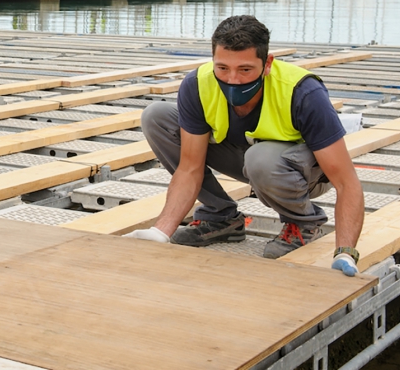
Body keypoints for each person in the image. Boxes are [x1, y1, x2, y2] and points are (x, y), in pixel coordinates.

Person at [127, 15, 364, 277]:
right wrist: (160, 231)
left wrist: (345, 250)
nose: (233, 80)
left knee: (260, 159)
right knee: (156, 117)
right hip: (248, 159)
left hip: (302, 174)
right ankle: (221, 217)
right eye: (223, 68)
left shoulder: (304, 93)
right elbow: (189, 167)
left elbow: (346, 182)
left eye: (245, 69)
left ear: (267, 64)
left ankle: (302, 223)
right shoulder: (198, 84)